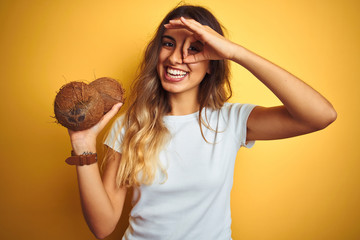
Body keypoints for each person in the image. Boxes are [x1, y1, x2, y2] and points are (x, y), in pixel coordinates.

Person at [67, 5, 337, 240]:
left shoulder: (231, 120)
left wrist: (235, 52)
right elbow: (103, 227)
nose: (175, 58)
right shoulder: (129, 125)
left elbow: (320, 115)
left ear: (212, 62)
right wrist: (83, 143)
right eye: (168, 43)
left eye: (194, 48)